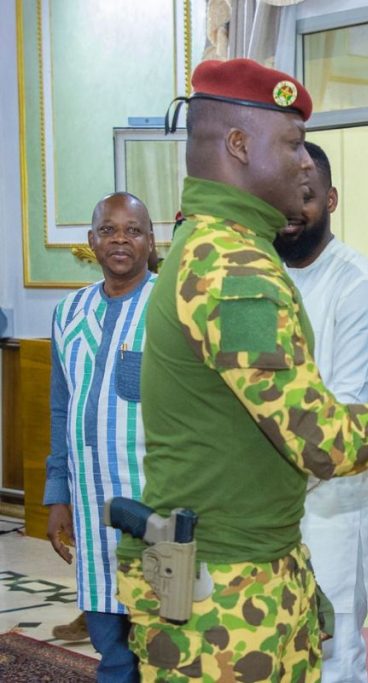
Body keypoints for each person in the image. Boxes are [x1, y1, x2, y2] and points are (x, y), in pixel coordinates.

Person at [114, 58, 368, 682]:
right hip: (229, 593)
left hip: (244, 567)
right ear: (239, 145)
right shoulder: (235, 270)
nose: (304, 163)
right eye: (292, 144)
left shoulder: (212, 243)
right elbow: (322, 441)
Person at [274, 141, 368, 683]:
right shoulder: (261, 276)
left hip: (331, 507)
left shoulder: (356, 282)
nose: (292, 211)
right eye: (283, 196)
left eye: (307, 196)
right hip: (265, 507)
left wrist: (265, 477)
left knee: (333, 659)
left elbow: (342, 412)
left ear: (332, 199)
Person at [45, 192, 157, 682]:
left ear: (150, 241)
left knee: (160, 635)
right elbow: (60, 408)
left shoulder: (170, 309)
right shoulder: (68, 313)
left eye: (132, 230)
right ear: (91, 240)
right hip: (90, 503)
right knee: (109, 640)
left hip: (153, 502)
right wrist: (57, 495)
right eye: (108, 230)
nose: (120, 240)